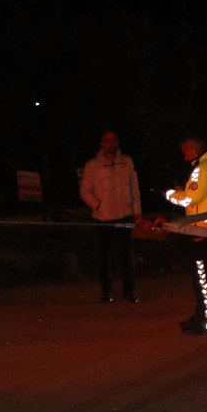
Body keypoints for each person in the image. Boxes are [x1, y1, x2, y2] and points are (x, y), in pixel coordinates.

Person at [165, 134, 207, 335]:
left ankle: (206, 321)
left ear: (194, 149)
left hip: (201, 229)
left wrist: (170, 195)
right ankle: (201, 313)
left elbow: (192, 198)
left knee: (201, 277)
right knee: (204, 276)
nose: (184, 155)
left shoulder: (202, 168)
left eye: (185, 151)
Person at [79, 130, 141, 303]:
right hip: (103, 217)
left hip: (125, 215)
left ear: (118, 142)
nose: (110, 143)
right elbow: (85, 191)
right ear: (102, 143)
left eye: (113, 139)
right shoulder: (92, 165)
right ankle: (106, 291)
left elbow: (134, 187)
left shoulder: (127, 161)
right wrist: (97, 205)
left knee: (127, 256)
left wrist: (137, 211)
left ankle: (129, 290)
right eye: (106, 140)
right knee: (104, 257)